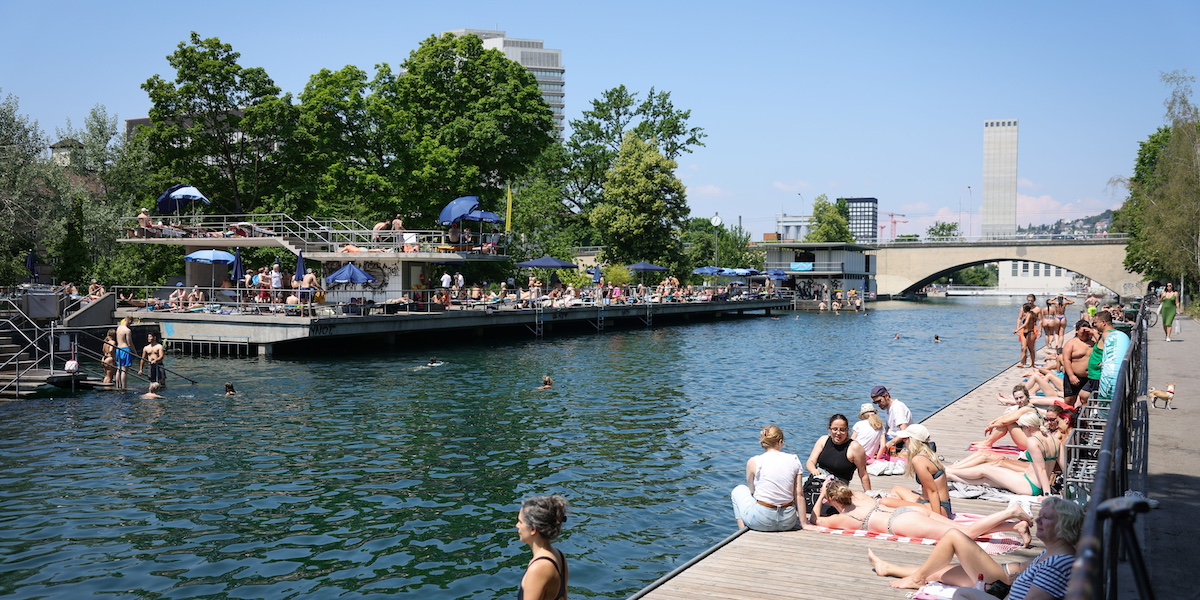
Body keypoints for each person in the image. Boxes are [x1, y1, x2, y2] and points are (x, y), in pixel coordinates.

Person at [866, 497, 1083, 597]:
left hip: (1001, 579)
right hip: (1006, 574)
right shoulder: (1054, 552)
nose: (1038, 521)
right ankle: (890, 568)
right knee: (942, 571)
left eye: (1046, 518)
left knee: (954, 536)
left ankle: (916, 578)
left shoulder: (1058, 561)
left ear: (1063, 525)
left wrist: (1016, 577)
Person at [810, 479, 1031, 543]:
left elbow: (816, 520)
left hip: (900, 523)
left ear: (831, 500)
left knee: (966, 534)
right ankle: (1015, 526)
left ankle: (1010, 511)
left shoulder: (842, 518)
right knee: (962, 528)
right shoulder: (860, 497)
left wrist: (820, 496)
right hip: (909, 513)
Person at [947, 412, 1062, 497]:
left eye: (1021, 428)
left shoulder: (1033, 441)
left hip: (1030, 485)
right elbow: (1064, 467)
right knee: (985, 481)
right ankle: (949, 475)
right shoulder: (1055, 440)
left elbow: (1041, 469)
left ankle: (947, 471)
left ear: (1028, 427)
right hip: (1032, 481)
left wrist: (1047, 495)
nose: (1021, 431)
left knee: (985, 469)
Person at [731, 425, 804, 531]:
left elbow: (752, 490)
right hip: (788, 522)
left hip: (761, 521)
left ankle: (741, 531)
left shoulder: (754, 461)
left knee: (738, 490)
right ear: (780, 441)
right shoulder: (794, 459)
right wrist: (804, 523)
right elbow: (799, 495)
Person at [805, 414, 871, 515]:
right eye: (835, 429)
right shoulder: (823, 440)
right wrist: (813, 470)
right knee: (792, 485)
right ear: (829, 429)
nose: (838, 433)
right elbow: (810, 462)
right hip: (818, 477)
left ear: (847, 430)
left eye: (842, 430)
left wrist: (869, 496)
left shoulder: (855, 448)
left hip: (838, 484)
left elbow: (863, 474)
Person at [887, 424, 954, 518]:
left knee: (885, 502)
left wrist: (937, 518)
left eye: (905, 438)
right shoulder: (928, 454)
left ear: (912, 440)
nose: (903, 441)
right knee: (896, 489)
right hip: (936, 503)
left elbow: (933, 491)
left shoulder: (918, 460)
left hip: (938, 508)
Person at [515, 495, 569, 600]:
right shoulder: (559, 556)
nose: (517, 526)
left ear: (533, 529)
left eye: (520, 522)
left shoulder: (538, 568)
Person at [975, 385, 1040, 450]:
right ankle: (987, 442)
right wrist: (992, 422)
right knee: (1007, 421)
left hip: (1032, 444)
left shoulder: (1028, 408)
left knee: (1009, 423)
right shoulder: (1022, 407)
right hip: (1031, 442)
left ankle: (987, 443)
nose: (1019, 400)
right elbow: (1006, 416)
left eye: (1021, 397)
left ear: (1027, 396)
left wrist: (991, 426)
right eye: (1016, 399)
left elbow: (1005, 421)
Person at [1093, 310, 1130, 400]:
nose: (1094, 325)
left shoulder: (1107, 335)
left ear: (1103, 323)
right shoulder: (1112, 333)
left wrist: (1104, 363)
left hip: (1101, 377)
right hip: (1097, 376)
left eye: (1096, 322)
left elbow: (1113, 351)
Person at [1061, 319, 1095, 407]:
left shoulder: (1095, 342)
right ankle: (1068, 418)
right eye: (1083, 331)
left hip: (1089, 377)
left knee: (1085, 399)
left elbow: (1104, 342)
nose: (1085, 333)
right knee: (1069, 400)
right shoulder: (1071, 343)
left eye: (1087, 331)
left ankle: (1084, 419)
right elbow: (1066, 360)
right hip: (1074, 375)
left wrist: (1093, 332)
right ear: (1077, 330)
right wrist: (1071, 376)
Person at [871, 386, 912, 460]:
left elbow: (905, 432)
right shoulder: (886, 407)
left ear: (886, 396)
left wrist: (890, 443)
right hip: (890, 437)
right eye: (875, 402)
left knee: (875, 452)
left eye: (879, 401)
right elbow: (888, 425)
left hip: (898, 440)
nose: (878, 405)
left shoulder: (897, 408)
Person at [114, 318, 133, 391]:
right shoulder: (127, 330)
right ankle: (124, 387)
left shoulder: (118, 328)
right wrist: (134, 351)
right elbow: (129, 343)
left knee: (118, 369)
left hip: (118, 349)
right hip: (125, 349)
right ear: (129, 321)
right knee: (124, 370)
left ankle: (117, 386)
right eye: (130, 323)